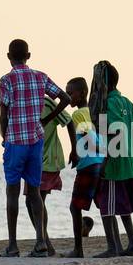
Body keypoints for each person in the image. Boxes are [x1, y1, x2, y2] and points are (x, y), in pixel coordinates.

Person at [0, 39, 68, 257]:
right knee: (35, 191)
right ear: (28, 55)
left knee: (12, 192)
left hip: (15, 141)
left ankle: (12, 245)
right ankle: (40, 242)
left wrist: (4, 135)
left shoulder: (6, 80)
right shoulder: (40, 77)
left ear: (9, 57)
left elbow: (4, 114)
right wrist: (47, 119)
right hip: (35, 141)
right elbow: (64, 98)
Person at [88, 61, 133, 257]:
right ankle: (132, 244)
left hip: (113, 162)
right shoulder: (125, 102)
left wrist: (103, 161)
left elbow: (107, 131)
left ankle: (113, 247)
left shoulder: (107, 104)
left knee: (107, 206)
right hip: (129, 161)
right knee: (123, 206)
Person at [61, 77, 101, 257]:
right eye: (66, 93)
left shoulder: (77, 115)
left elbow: (88, 135)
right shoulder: (88, 111)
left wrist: (80, 152)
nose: (68, 97)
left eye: (71, 93)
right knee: (102, 205)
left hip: (88, 164)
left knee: (74, 207)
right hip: (97, 163)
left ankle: (78, 249)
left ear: (83, 93)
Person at [37, 89, 76, 255]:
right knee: (35, 201)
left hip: (49, 158)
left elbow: (69, 121)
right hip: (34, 159)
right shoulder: (24, 105)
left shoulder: (47, 103)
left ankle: (45, 244)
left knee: (36, 200)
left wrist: (75, 149)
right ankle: (44, 242)